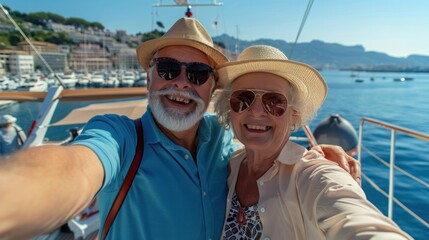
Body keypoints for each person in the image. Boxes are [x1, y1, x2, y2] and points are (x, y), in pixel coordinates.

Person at [0, 18, 360, 240]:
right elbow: (74, 168)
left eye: (198, 74)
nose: (183, 83)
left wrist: (313, 156)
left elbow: (263, 146)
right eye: (169, 69)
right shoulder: (120, 138)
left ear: (211, 89)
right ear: (149, 76)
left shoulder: (222, 137)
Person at [214, 45, 412, 239]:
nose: (256, 111)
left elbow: (353, 219)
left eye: (274, 102)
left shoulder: (313, 175)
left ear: (294, 115)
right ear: (229, 109)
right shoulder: (230, 164)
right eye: (243, 99)